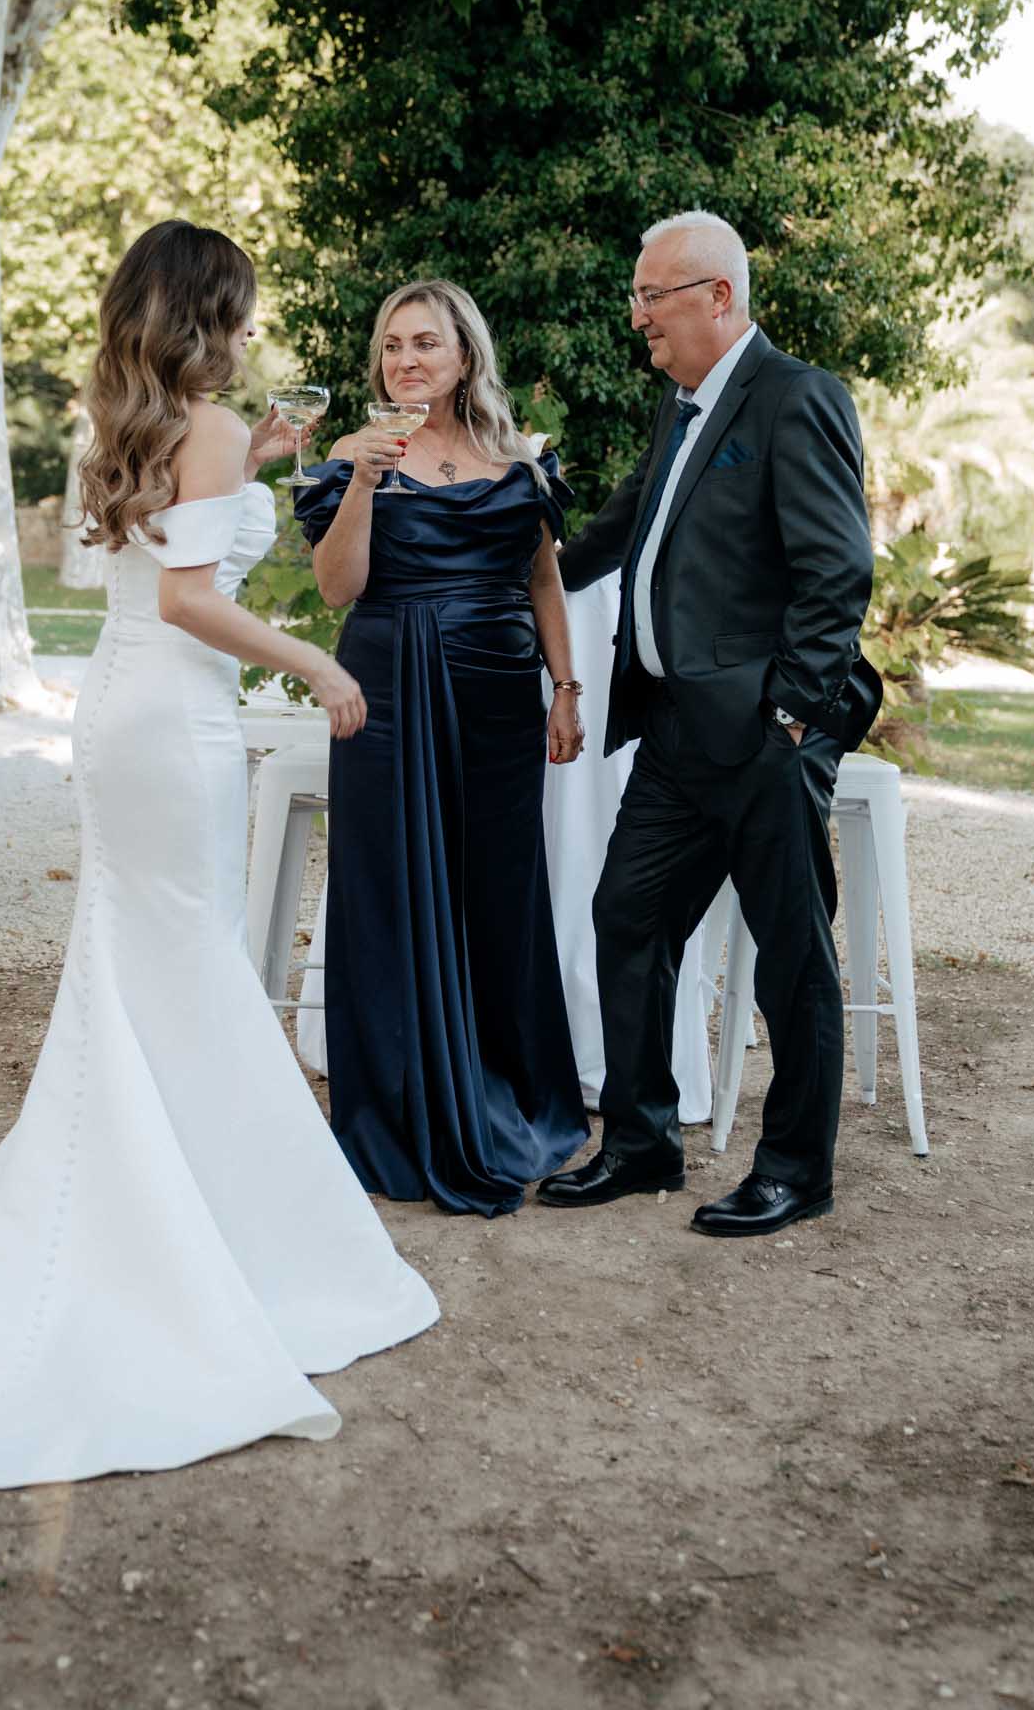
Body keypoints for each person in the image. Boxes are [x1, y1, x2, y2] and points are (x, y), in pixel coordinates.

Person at [0, 221, 437, 1488]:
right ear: (209, 312)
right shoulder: (204, 429)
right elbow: (188, 598)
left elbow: (159, 560)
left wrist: (264, 453)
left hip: (121, 714)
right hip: (176, 718)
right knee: (188, 964)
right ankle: (210, 1242)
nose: (247, 327)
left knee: (145, 965)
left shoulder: (133, 427)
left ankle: (160, 1206)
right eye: (241, 306)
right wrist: (319, 658)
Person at [537, 212, 881, 1235]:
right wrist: (509, 562)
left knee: (790, 957)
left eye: (654, 295)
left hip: (766, 740)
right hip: (677, 735)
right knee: (627, 919)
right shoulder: (679, 412)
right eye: (640, 295)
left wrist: (788, 715)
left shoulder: (797, 398)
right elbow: (613, 537)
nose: (637, 314)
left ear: (717, 297)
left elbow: (837, 571)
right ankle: (641, 1145)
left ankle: (794, 1170)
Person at [293, 279, 589, 1217]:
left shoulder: (517, 456)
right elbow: (338, 587)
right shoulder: (350, 454)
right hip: (389, 684)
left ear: (465, 355)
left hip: (501, 696)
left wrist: (564, 689)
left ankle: (509, 1094)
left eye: (425, 344)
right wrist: (370, 482)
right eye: (390, 347)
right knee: (391, 887)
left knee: (497, 895)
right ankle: (403, 1108)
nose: (406, 361)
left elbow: (542, 577)